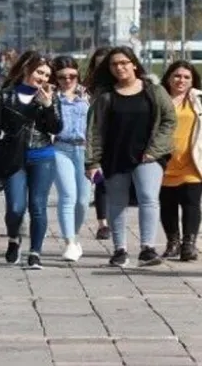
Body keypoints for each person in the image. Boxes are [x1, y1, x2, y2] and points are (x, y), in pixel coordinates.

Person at [85, 46, 176, 268]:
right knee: (117, 202)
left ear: (134, 63)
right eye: (114, 64)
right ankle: (120, 250)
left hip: (148, 156)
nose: (120, 67)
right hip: (114, 156)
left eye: (124, 62)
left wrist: (155, 150)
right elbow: (93, 131)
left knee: (148, 198)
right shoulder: (105, 96)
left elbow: (169, 120)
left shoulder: (154, 91)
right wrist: (92, 161)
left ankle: (147, 248)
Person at [0, 51, 62, 270]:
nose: (42, 77)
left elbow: (56, 128)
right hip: (13, 156)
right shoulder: (5, 95)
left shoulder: (50, 97)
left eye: (46, 74)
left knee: (38, 206)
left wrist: (48, 105)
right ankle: (14, 238)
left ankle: (35, 252)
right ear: (27, 69)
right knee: (16, 207)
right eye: (39, 72)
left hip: (42, 155)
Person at [159, 60, 202, 261]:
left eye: (186, 77)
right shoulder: (158, 99)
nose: (181, 80)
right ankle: (172, 243)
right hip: (164, 161)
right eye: (177, 76)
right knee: (167, 204)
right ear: (168, 77)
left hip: (191, 161)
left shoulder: (198, 100)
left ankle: (189, 245)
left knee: (191, 203)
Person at [51, 55, 90, 262]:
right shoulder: (51, 96)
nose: (68, 80)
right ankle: (69, 243)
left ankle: (74, 237)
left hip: (84, 150)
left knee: (83, 200)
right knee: (68, 196)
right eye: (62, 77)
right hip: (60, 148)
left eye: (72, 76)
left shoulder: (87, 95)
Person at [82, 47, 113, 239]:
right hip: (95, 138)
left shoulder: (121, 86)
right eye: (98, 64)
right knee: (101, 181)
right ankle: (103, 224)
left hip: (118, 139)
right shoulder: (88, 88)